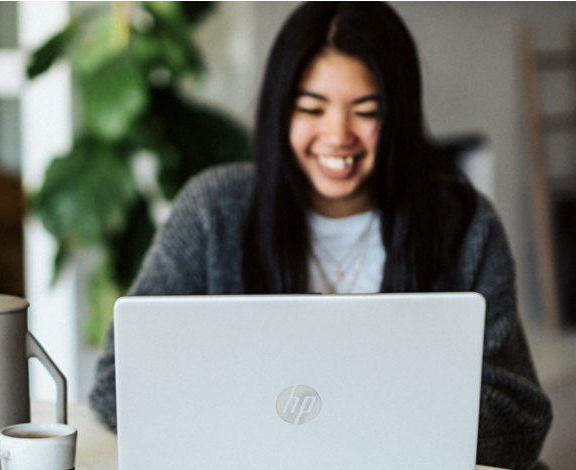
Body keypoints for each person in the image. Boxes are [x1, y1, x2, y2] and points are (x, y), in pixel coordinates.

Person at [89, 2, 552, 469]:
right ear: (278, 110)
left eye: (367, 111)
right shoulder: (213, 212)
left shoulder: (464, 224)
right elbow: (118, 386)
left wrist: (337, 427)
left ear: (401, 116)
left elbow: (518, 418)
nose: (337, 135)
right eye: (312, 107)